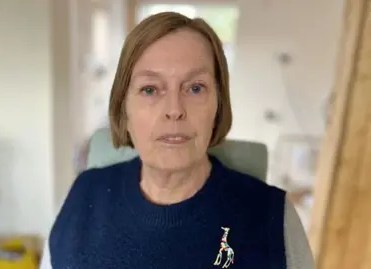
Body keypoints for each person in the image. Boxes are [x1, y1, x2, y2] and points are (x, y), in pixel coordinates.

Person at [40, 12, 314, 269]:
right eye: (150, 89)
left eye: (195, 88)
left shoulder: (275, 219)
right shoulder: (82, 194)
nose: (174, 109)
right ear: (124, 108)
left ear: (218, 105)